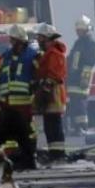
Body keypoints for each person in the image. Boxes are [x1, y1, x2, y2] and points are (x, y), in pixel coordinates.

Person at [0, 25, 40, 170]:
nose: (10, 42)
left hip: (24, 102)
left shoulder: (33, 55)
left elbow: (39, 75)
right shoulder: (6, 56)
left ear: (20, 41)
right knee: (8, 132)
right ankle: (13, 159)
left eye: (13, 40)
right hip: (7, 102)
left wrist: (36, 94)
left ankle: (29, 159)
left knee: (26, 132)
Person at [35, 24, 68, 162]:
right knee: (50, 124)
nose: (38, 41)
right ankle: (54, 152)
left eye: (40, 38)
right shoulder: (49, 53)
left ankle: (58, 154)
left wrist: (45, 89)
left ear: (48, 38)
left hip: (54, 93)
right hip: (49, 91)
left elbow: (54, 75)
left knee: (54, 124)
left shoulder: (54, 54)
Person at [66, 15, 95, 135]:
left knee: (80, 103)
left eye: (79, 30)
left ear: (84, 30)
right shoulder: (79, 42)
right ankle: (77, 127)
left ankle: (82, 127)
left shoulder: (90, 43)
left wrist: (85, 78)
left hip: (81, 79)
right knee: (75, 103)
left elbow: (90, 62)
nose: (77, 32)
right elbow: (72, 59)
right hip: (74, 78)